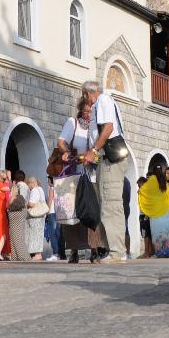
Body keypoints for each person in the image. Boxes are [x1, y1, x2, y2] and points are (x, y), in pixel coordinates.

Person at [81, 80, 130, 263]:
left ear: (87, 94)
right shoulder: (106, 101)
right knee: (108, 204)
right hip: (106, 160)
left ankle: (117, 252)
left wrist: (92, 151)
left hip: (110, 160)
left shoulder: (102, 101)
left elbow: (108, 128)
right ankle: (114, 250)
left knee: (111, 205)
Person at [57, 96, 104, 264]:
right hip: (73, 176)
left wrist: (94, 157)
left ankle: (94, 250)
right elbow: (61, 142)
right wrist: (68, 152)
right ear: (80, 110)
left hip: (91, 176)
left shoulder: (97, 126)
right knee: (72, 214)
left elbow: (100, 151)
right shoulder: (72, 123)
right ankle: (74, 251)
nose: (88, 114)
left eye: (91, 111)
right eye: (85, 111)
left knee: (91, 212)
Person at [137, 166, 169, 258]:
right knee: (166, 231)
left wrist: (140, 192)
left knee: (157, 232)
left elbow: (143, 190)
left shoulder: (152, 180)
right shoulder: (164, 182)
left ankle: (158, 252)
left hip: (156, 211)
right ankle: (168, 251)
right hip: (165, 211)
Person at [8, 171, 30, 262]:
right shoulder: (26, 187)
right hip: (22, 211)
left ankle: (22, 257)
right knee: (17, 235)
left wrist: (10, 182)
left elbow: (13, 197)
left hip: (16, 211)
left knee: (16, 236)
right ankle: (17, 256)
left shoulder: (18, 186)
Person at [25, 176, 47, 261]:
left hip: (35, 216)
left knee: (34, 235)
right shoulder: (40, 189)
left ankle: (37, 254)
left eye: (28, 184)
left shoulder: (34, 190)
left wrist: (26, 204)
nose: (28, 186)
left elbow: (32, 204)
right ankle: (38, 254)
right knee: (39, 234)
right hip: (41, 215)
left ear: (32, 183)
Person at [135, 177, 154, 258]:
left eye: (140, 185)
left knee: (146, 235)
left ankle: (147, 252)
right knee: (146, 234)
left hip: (146, 215)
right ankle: (149, 252)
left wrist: (147, 214)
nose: (139, 187)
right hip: (143, 214)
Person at [44, 176, 61, 261]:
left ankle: (55, 253)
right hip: (59, 212)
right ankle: (59, 253)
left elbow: (50, 201)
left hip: (52, 212)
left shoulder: (51, 188)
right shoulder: (59, 187)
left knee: (52, 233)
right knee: (58, 233)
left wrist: (46, 212)